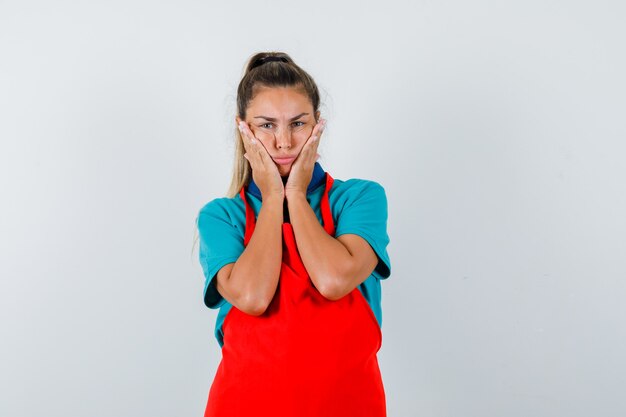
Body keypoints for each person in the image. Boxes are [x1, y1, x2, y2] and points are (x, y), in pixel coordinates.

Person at [194, 51, 392, 417]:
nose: (283, 142)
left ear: (318, 125)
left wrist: (296, 194)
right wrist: (272, 196)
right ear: (243, 129)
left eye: (298, 124)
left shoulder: (359, 198)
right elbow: (252, 298)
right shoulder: (222, 216)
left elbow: (334, 280)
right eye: (266, 125)